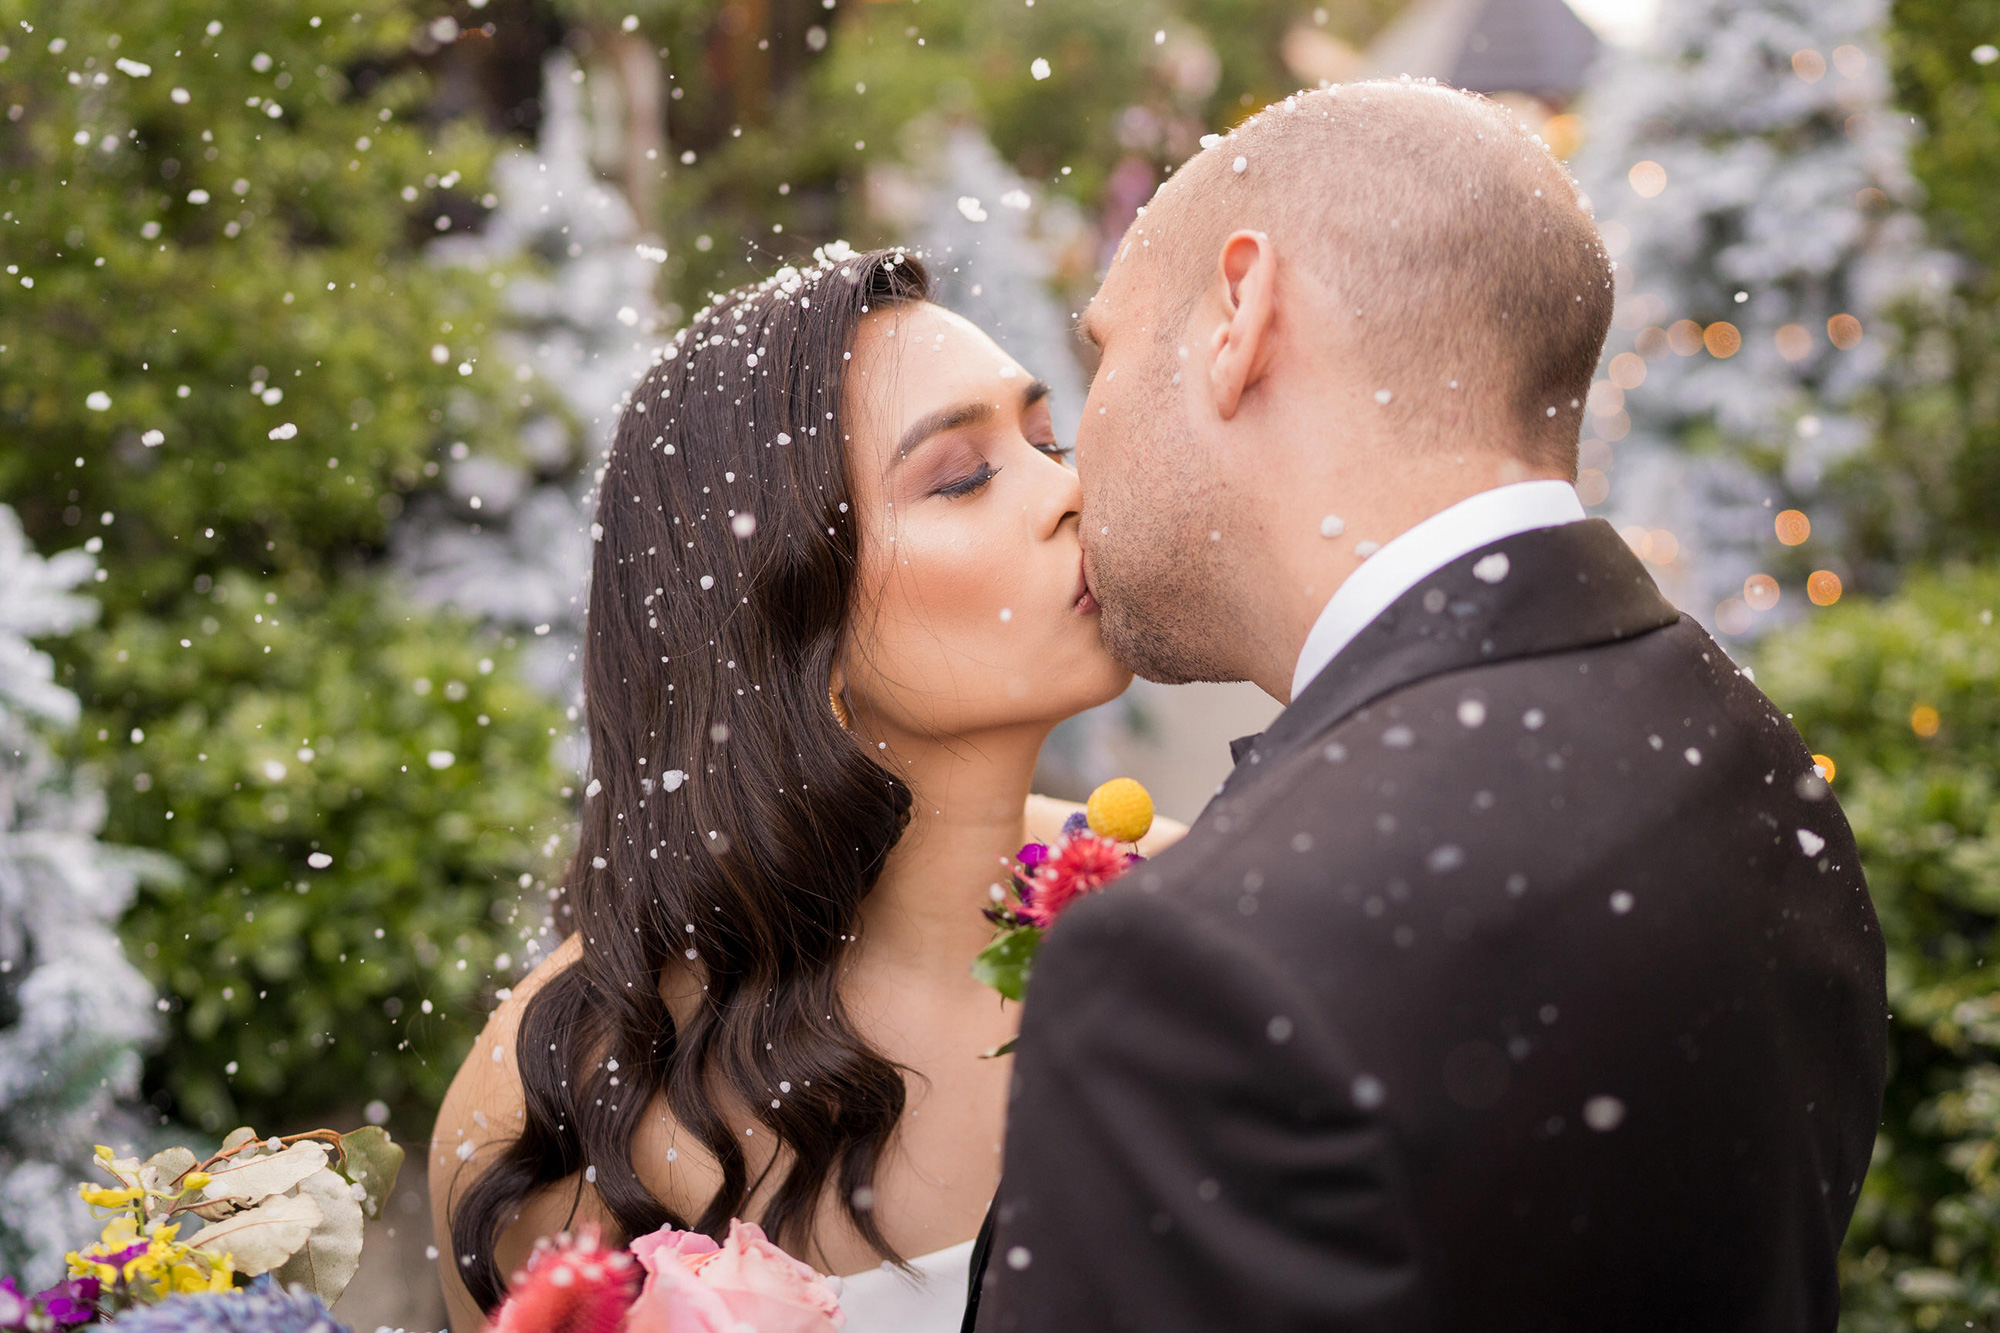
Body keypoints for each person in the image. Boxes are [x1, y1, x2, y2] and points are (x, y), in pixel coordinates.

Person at [967, 82, 1887, 1331]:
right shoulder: (1744, 749)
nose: (1078, 455)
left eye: (1103, 350)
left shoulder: (1204, 960)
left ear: (1239, 311)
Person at [428, 246, 1182, 1332]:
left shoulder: (1182, 903)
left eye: (1045, 438)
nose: (1069, 490)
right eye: (962, 474)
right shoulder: (568, 1088)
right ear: (784, 622)